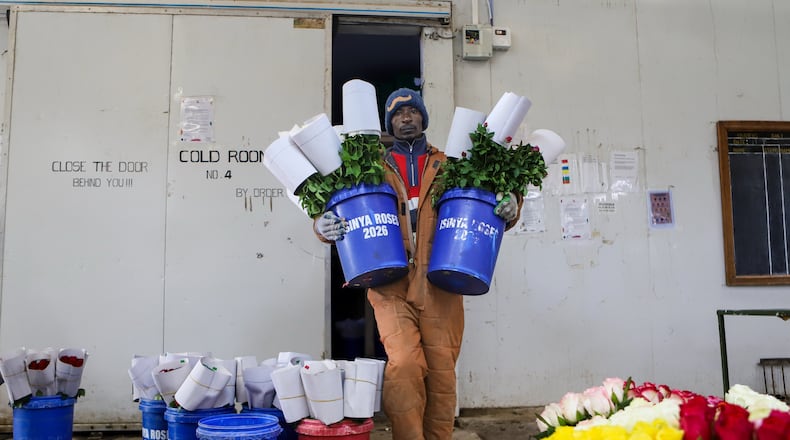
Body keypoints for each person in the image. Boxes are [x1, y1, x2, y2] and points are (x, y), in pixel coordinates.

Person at [315, 88, 520, 440]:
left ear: (423, 117)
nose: (405, 118)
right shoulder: (367, 167)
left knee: (441, 374)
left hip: (441, 282)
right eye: (396, 113)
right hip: (390, 284)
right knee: (405, 365)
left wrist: (512, 203)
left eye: (412, 111)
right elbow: (335, 203)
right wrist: (322, 224)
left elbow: (488, 193)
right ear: (388, 123)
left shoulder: (453, 161)